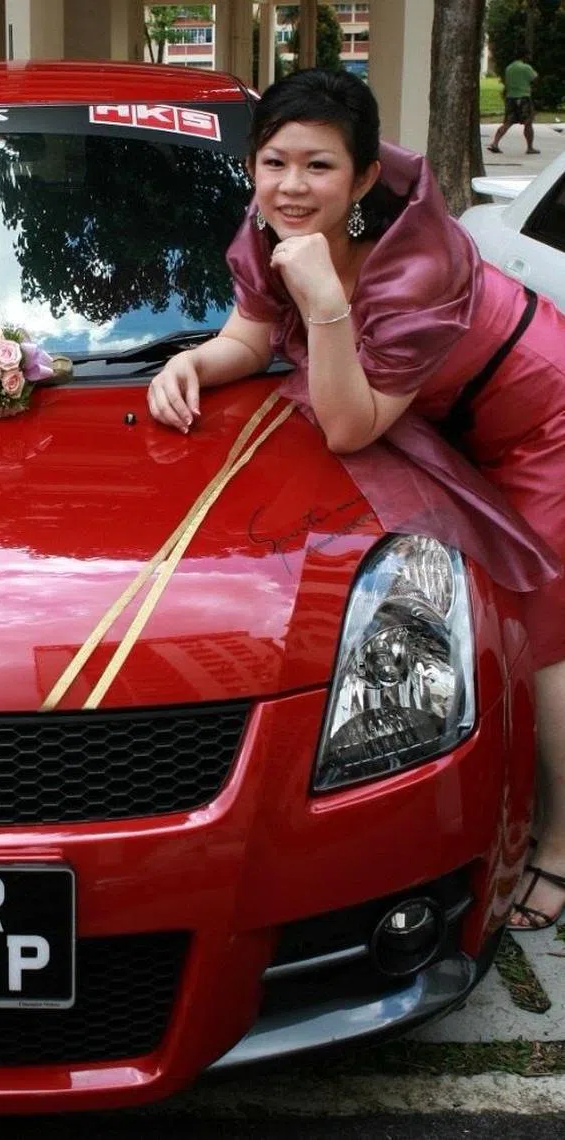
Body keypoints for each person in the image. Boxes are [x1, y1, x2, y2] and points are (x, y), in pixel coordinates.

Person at [147, 68, 565, 931]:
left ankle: (559, 846)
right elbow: (251, 333)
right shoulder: (278, 226)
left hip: (539, 415)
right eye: (274, 162)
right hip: (445, 416)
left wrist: (329, 303)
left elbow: (351, 424)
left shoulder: (421, 261)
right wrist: (191, 362)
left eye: (319, 167)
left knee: (546, 625)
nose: (292, 187)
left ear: (366, 176)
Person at [488, 49, 539, 155]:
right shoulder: (526, 67)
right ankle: (530, 147)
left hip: (511, 98)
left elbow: (506, 84)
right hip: (524, 97)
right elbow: (535, 78)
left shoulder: (509, 68)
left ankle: (495, 143)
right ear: (524, 56)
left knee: (507, 122)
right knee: (528, 123)